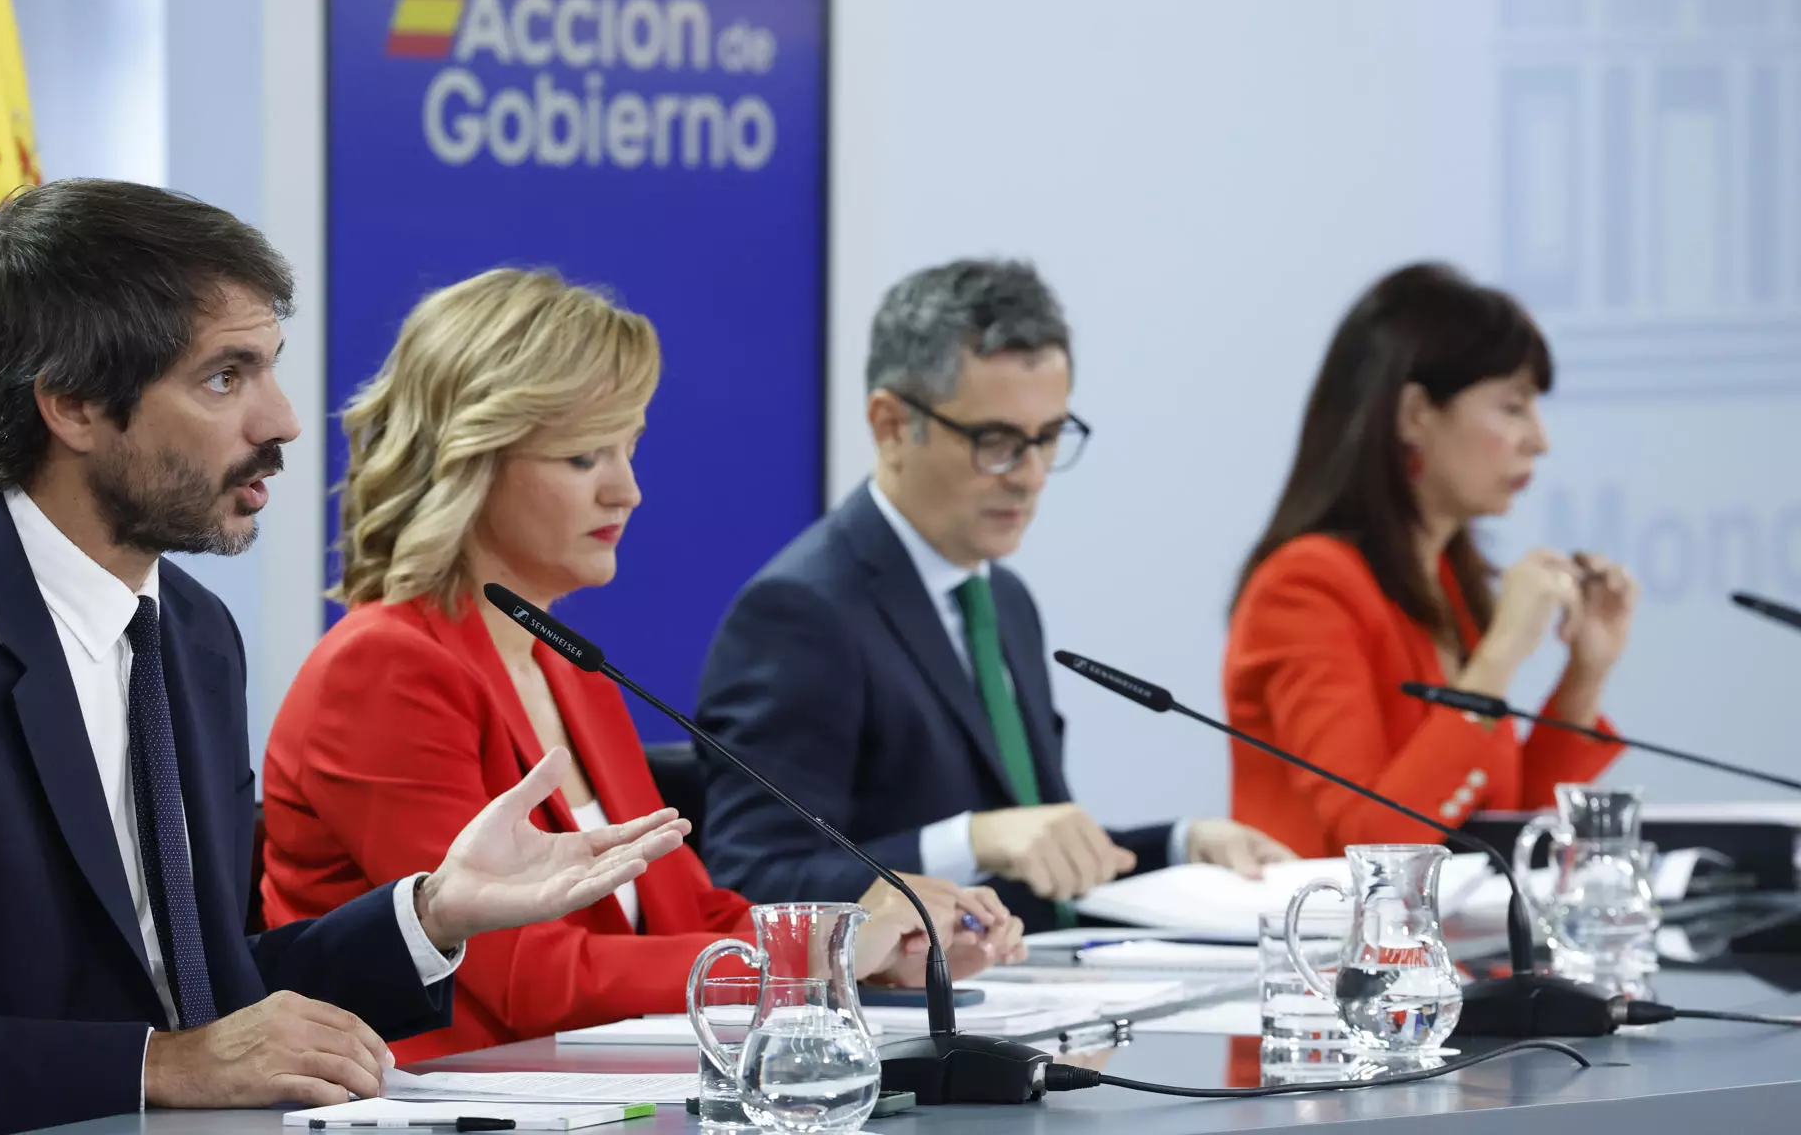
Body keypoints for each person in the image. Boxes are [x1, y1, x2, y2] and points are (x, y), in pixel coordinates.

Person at [0, 181, 691, 1134]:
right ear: (72, 406)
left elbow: (218, 991)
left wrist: (432, 914)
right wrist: (161, 1065)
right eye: (226, 378)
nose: (283, 423)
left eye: (269, 368)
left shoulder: (192, 635)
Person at [262, 268, 1025, 1061]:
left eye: (629, 448)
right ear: (473, 458)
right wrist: (807, 965)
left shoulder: (564, 663)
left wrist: (871, 943)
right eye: (585, 457)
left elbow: (689, 910)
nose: (626, 491)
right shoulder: (384, 670)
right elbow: (526, 979)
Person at [696, 259, 1292, 932]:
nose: (1031, 476)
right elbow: (754, 881)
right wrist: (972, 841)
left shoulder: (1004, 600)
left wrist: (1184, 846)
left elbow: (1033, 859)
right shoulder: (800, 613)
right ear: (891, 425)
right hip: (895, 1031)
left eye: (1047, 438)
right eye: (997, 442)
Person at [1224, 262, 1633, 859]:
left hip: (1450, 949)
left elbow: (1503, 834)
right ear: (1415, 415)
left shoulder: (1444, 582)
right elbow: (1374, 845)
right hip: (1329, 948)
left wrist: (1584, 675)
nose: (1539, 441)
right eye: (1512, 407)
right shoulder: (1306, 586)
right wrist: (1498, 657)